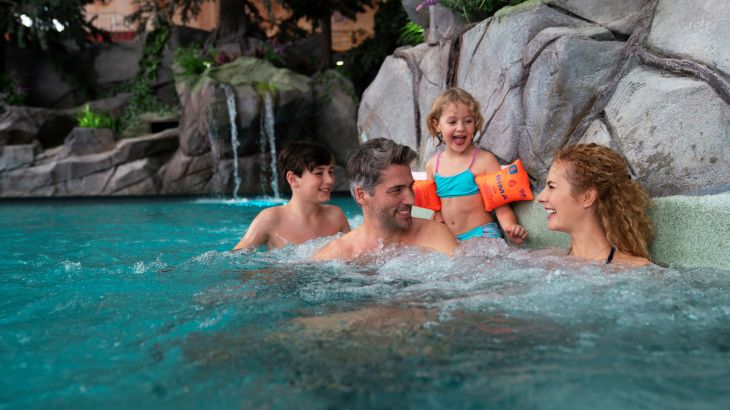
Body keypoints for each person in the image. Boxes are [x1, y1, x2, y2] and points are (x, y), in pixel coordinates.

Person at [315, 138, 457, 260]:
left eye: (411, 187)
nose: (411, 200)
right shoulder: (338, 256)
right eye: (396, 190)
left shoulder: (436, 236)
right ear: (361, 195)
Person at [424, 87, 528, 243]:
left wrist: (510, 227)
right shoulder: (433, 166)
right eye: (452, 121)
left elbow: (501, 205)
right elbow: (437, 208)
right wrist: (437, 218)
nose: (461, 127)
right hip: (450, 239)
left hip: (482, 235)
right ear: (437, 125)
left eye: (468, 121)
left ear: (475, 124)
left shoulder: (484, 161)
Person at [537, 143, 654, 266]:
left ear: (587, 197)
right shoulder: (547, 261)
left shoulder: (635, 269)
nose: (540, 197)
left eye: (551, 186)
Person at [232, 141, 350, 251]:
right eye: (319, 173)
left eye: (330, 172)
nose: (329, 180)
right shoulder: (270, 219)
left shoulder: (336, 216)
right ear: (293, 179)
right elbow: (235, 261)